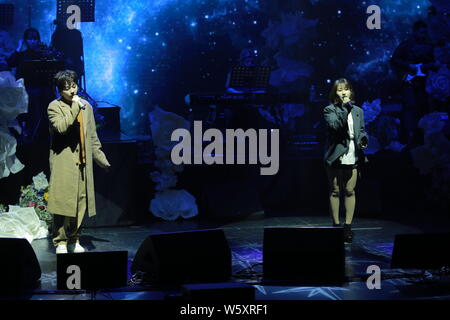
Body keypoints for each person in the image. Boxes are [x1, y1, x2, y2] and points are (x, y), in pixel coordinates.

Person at [47, 70, 110, 254]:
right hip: (63, 162)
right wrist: (75, 108)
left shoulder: (86, 107)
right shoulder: (54, 107)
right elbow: (61, 128)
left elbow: (92, 136)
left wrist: (102, 160)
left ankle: (74, 238)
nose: (72, 91)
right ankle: (60, 241)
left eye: (74, 86)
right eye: (67, 89)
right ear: (60, 90)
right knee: (62, 203)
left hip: (83, 163)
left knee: (80, 203)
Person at [323, 78, 368, 243]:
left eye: (346, 89)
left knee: (350, 190)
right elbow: (336, 127)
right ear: (335, 93)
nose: (344, 92)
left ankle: (348, 227)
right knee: (335, 191)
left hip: (352, 153)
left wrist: (363, 138)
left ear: (350, 91)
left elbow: (362, 130)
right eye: (340, 90)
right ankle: (336, 225)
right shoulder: (330, 110)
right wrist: (345, 109)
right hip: (336, 154)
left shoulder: (358, 111)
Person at [390, 20, 439, 146]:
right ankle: (407, 139)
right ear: (415, 31)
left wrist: (432, 66)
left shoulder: (430, 46)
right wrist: (409, 66)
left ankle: (421, 140)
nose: (423, 35)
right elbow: (394, 60)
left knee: (423, 109)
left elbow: (435, 64)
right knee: (409, 109)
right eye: (420, 32)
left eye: (425, 32)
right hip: (409, 82)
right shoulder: (406, 45)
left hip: (425, 84)